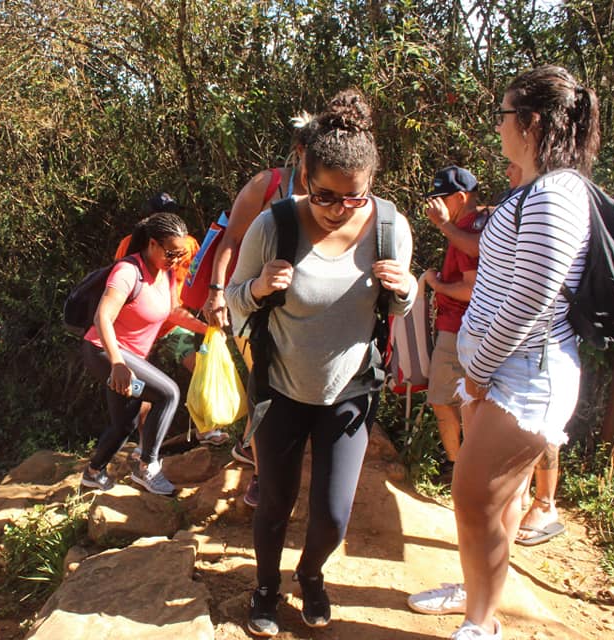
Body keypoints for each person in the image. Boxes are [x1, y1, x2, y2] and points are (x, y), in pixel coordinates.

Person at [226, 89, 416, 636]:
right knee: (275, 502)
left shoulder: (388, 227)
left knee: (333, 515)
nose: (338, 210)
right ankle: (265, 588)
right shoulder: (275, 226)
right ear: (305, 174)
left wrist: (405, 291)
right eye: (326, 195)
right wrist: (260, 287)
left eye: (353, 198)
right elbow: (235, 298)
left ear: (370, 186)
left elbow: (400, 307)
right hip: (282, 388)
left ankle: (310, 575)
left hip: (351, 390)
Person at [423, 66, 598, 640]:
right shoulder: (534, 188)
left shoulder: (556, 194)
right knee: (496, 498)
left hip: (522, 373)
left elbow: (529, 301)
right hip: (501, 367)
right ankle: (477, 592)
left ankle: (482, 622)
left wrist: (475, 371)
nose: (496, 125)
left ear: (531, 122)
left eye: (502, 114)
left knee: (474, 496)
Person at [202, 116, 311, 507]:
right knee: (269, 385)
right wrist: (217, 292)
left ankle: (251, 449)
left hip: (300, 311)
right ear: (299, 152)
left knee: (280, 385)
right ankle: (262, 477)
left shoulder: (333, 188)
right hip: (251, 301)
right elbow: (230, 237)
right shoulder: (267, 185)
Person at [80, 212, 208, 495]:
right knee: (168, 393)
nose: (177, 260)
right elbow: (103, 317)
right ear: (152, 244)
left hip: (128, 361)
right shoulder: (128, 272)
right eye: (171, 253)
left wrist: (208, 328)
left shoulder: (167, 272)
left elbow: (172, 312)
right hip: (105, 354)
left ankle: (93, 473)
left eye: (180, 254)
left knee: (124, 423)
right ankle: (147, 466)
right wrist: (117, 364)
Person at [114, 193, 219, 451]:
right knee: (141, 389)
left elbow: (195, 280)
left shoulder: (188, 245)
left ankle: (207, 428)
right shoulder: (129, 247)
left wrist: (208, 312)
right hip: (138, 332)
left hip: (172, 323)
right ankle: (143, 446)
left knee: (200, 365)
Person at [422, 166, 484, 481]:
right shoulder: (472, 226)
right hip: (463, 327)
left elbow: (472, 289)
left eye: (439, 198)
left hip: (459, 326)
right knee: (463, 400)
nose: (434, 205)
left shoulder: (468, 229)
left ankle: (458, 466)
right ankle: (464, 465)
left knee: (443, 399)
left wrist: (437, 284)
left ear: (459, 198)